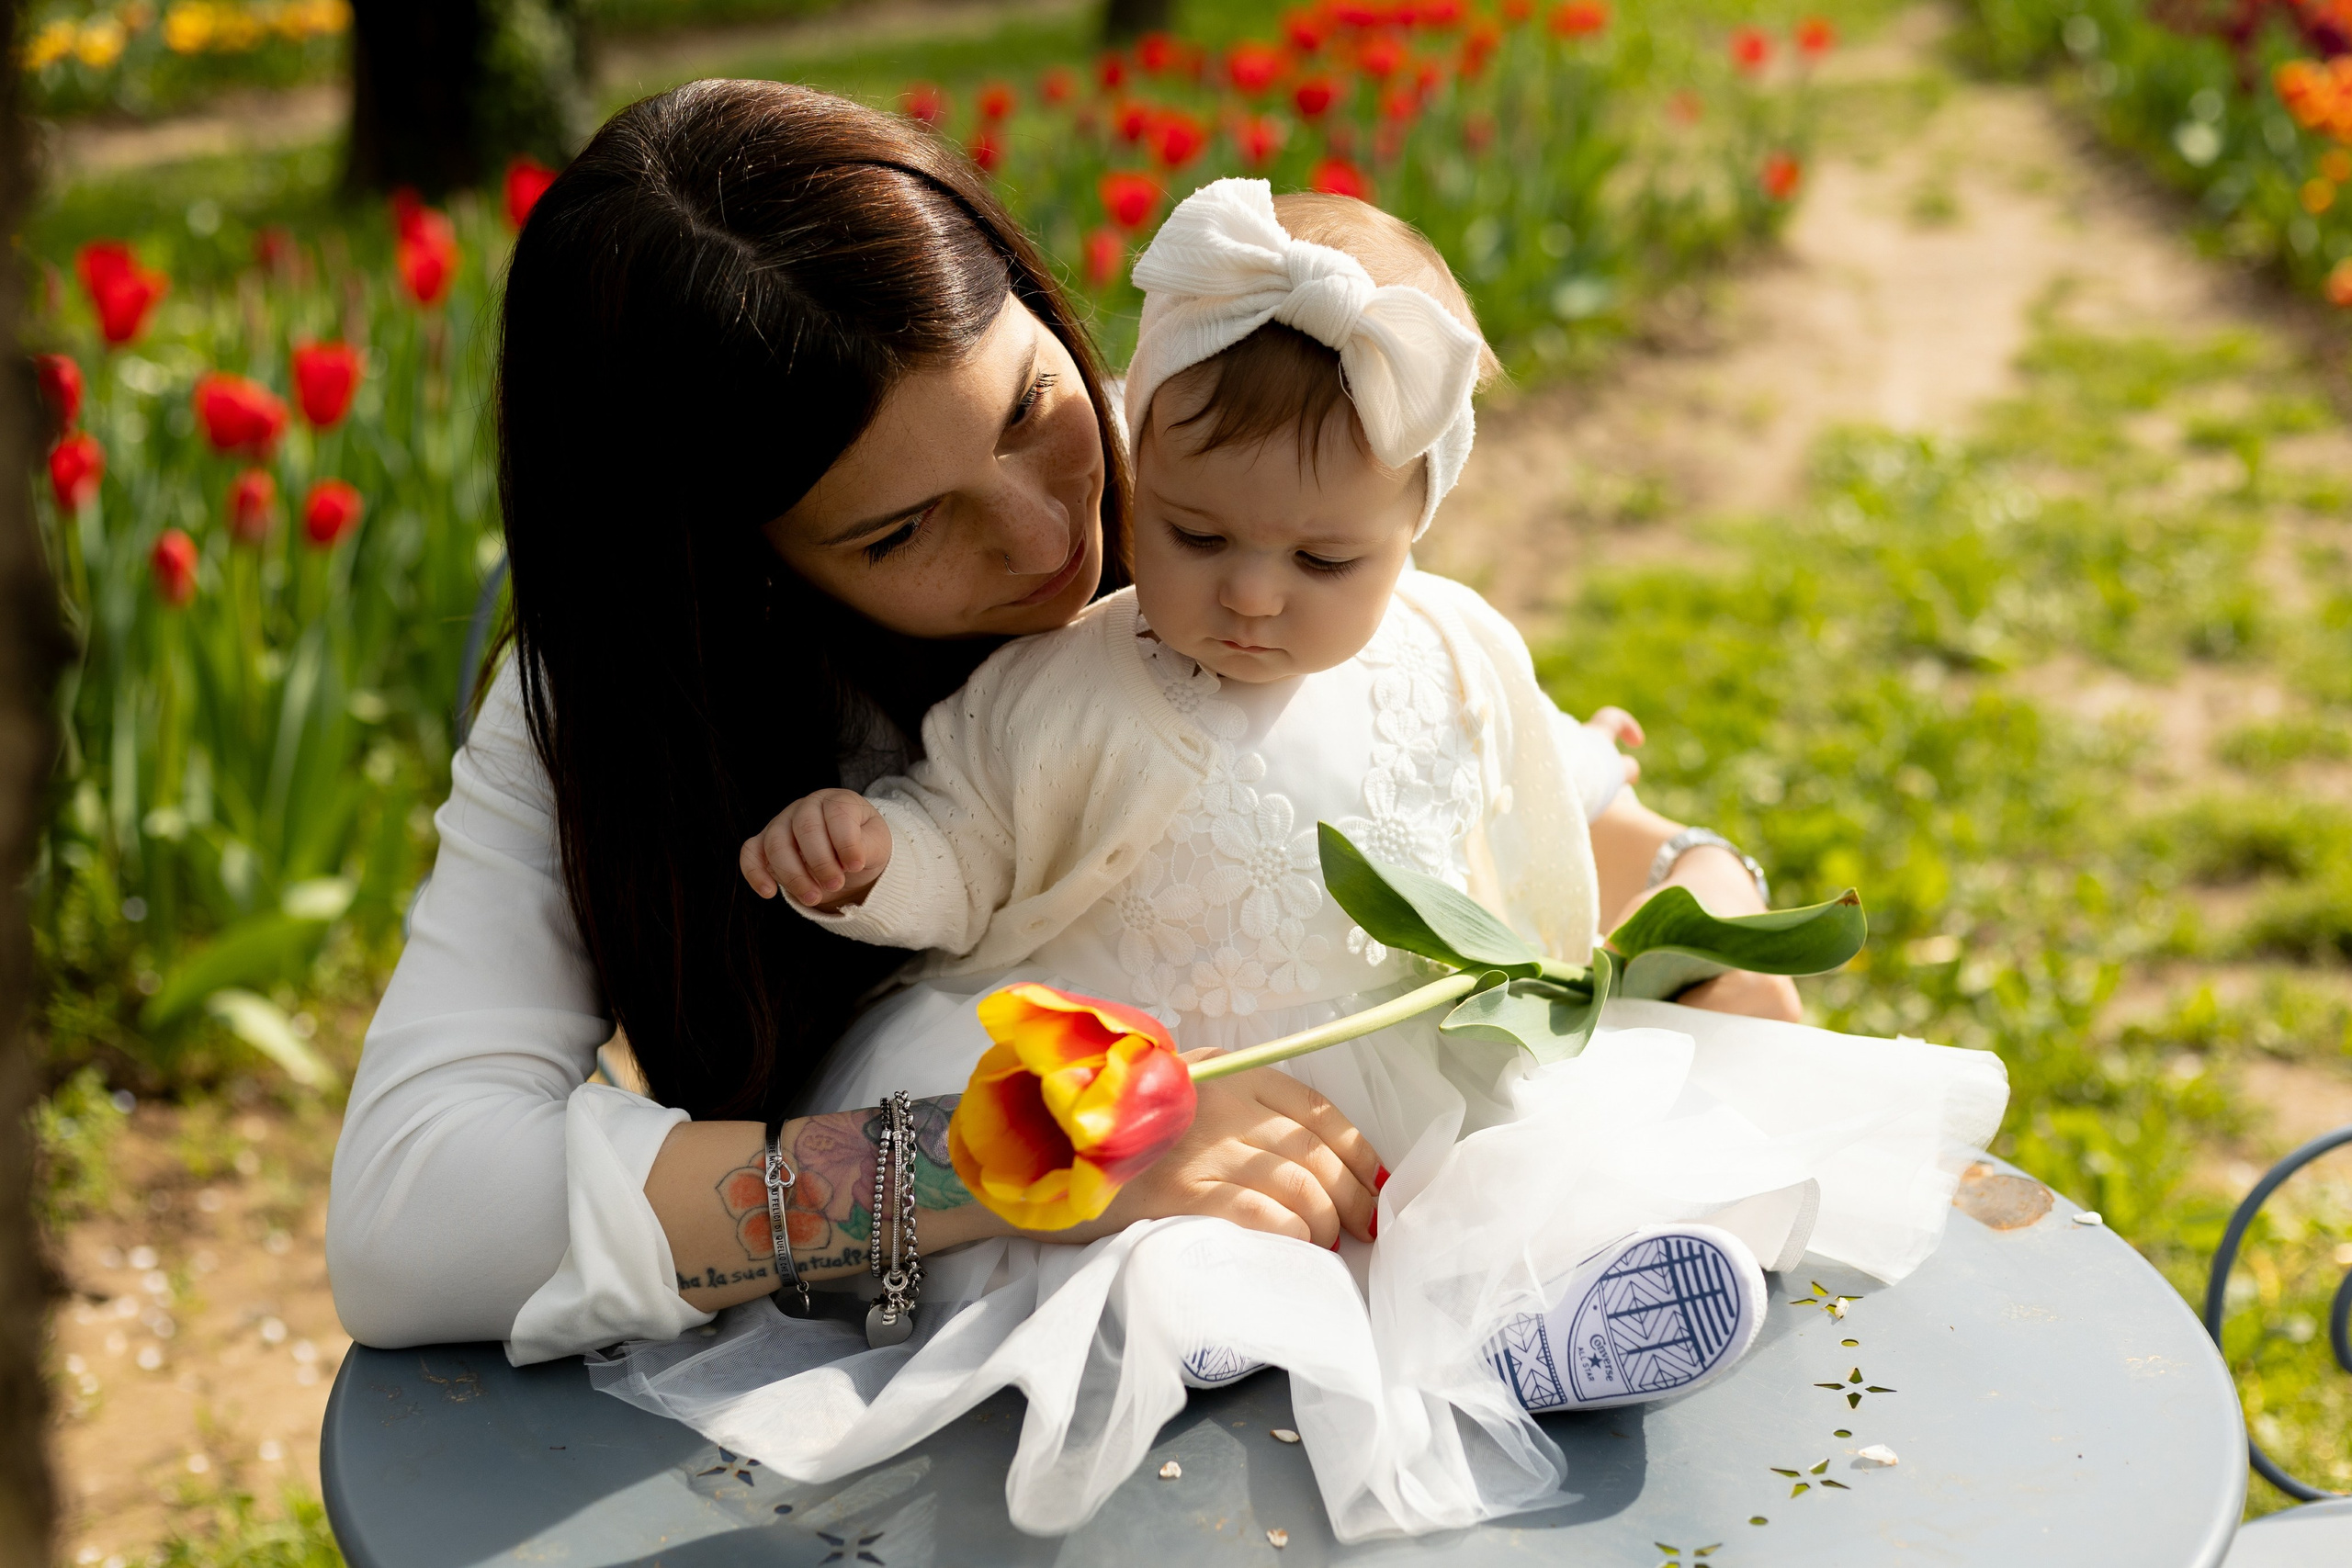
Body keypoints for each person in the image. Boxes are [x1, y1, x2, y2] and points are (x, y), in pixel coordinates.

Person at [325, 81, 1806, 1404]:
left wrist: (1702, 893)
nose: (1053, 534)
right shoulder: (612, 719)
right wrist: (1014, 1155)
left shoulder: (1199, 485)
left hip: (1362, 1210)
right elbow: (410, 1220)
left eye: (1034, 406)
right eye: (902, 530)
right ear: (740, 568)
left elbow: (1492, 764)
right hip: (961, 1367)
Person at [586, 180, 2008, 1542]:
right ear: (1148, 455)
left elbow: (1547, 778)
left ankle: (1563, 1325)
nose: (1253, 596)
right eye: (1196, 534)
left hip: (1409, 1111)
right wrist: (871, 853)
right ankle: (1199, 1332)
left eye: (1326, 562)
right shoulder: (1064, 688)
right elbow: (971, 845)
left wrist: (1675, 867)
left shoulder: (1452, 646)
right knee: (1150, 1247)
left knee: (1545, 1178)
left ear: (1415, 527)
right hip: (1162, 1107)